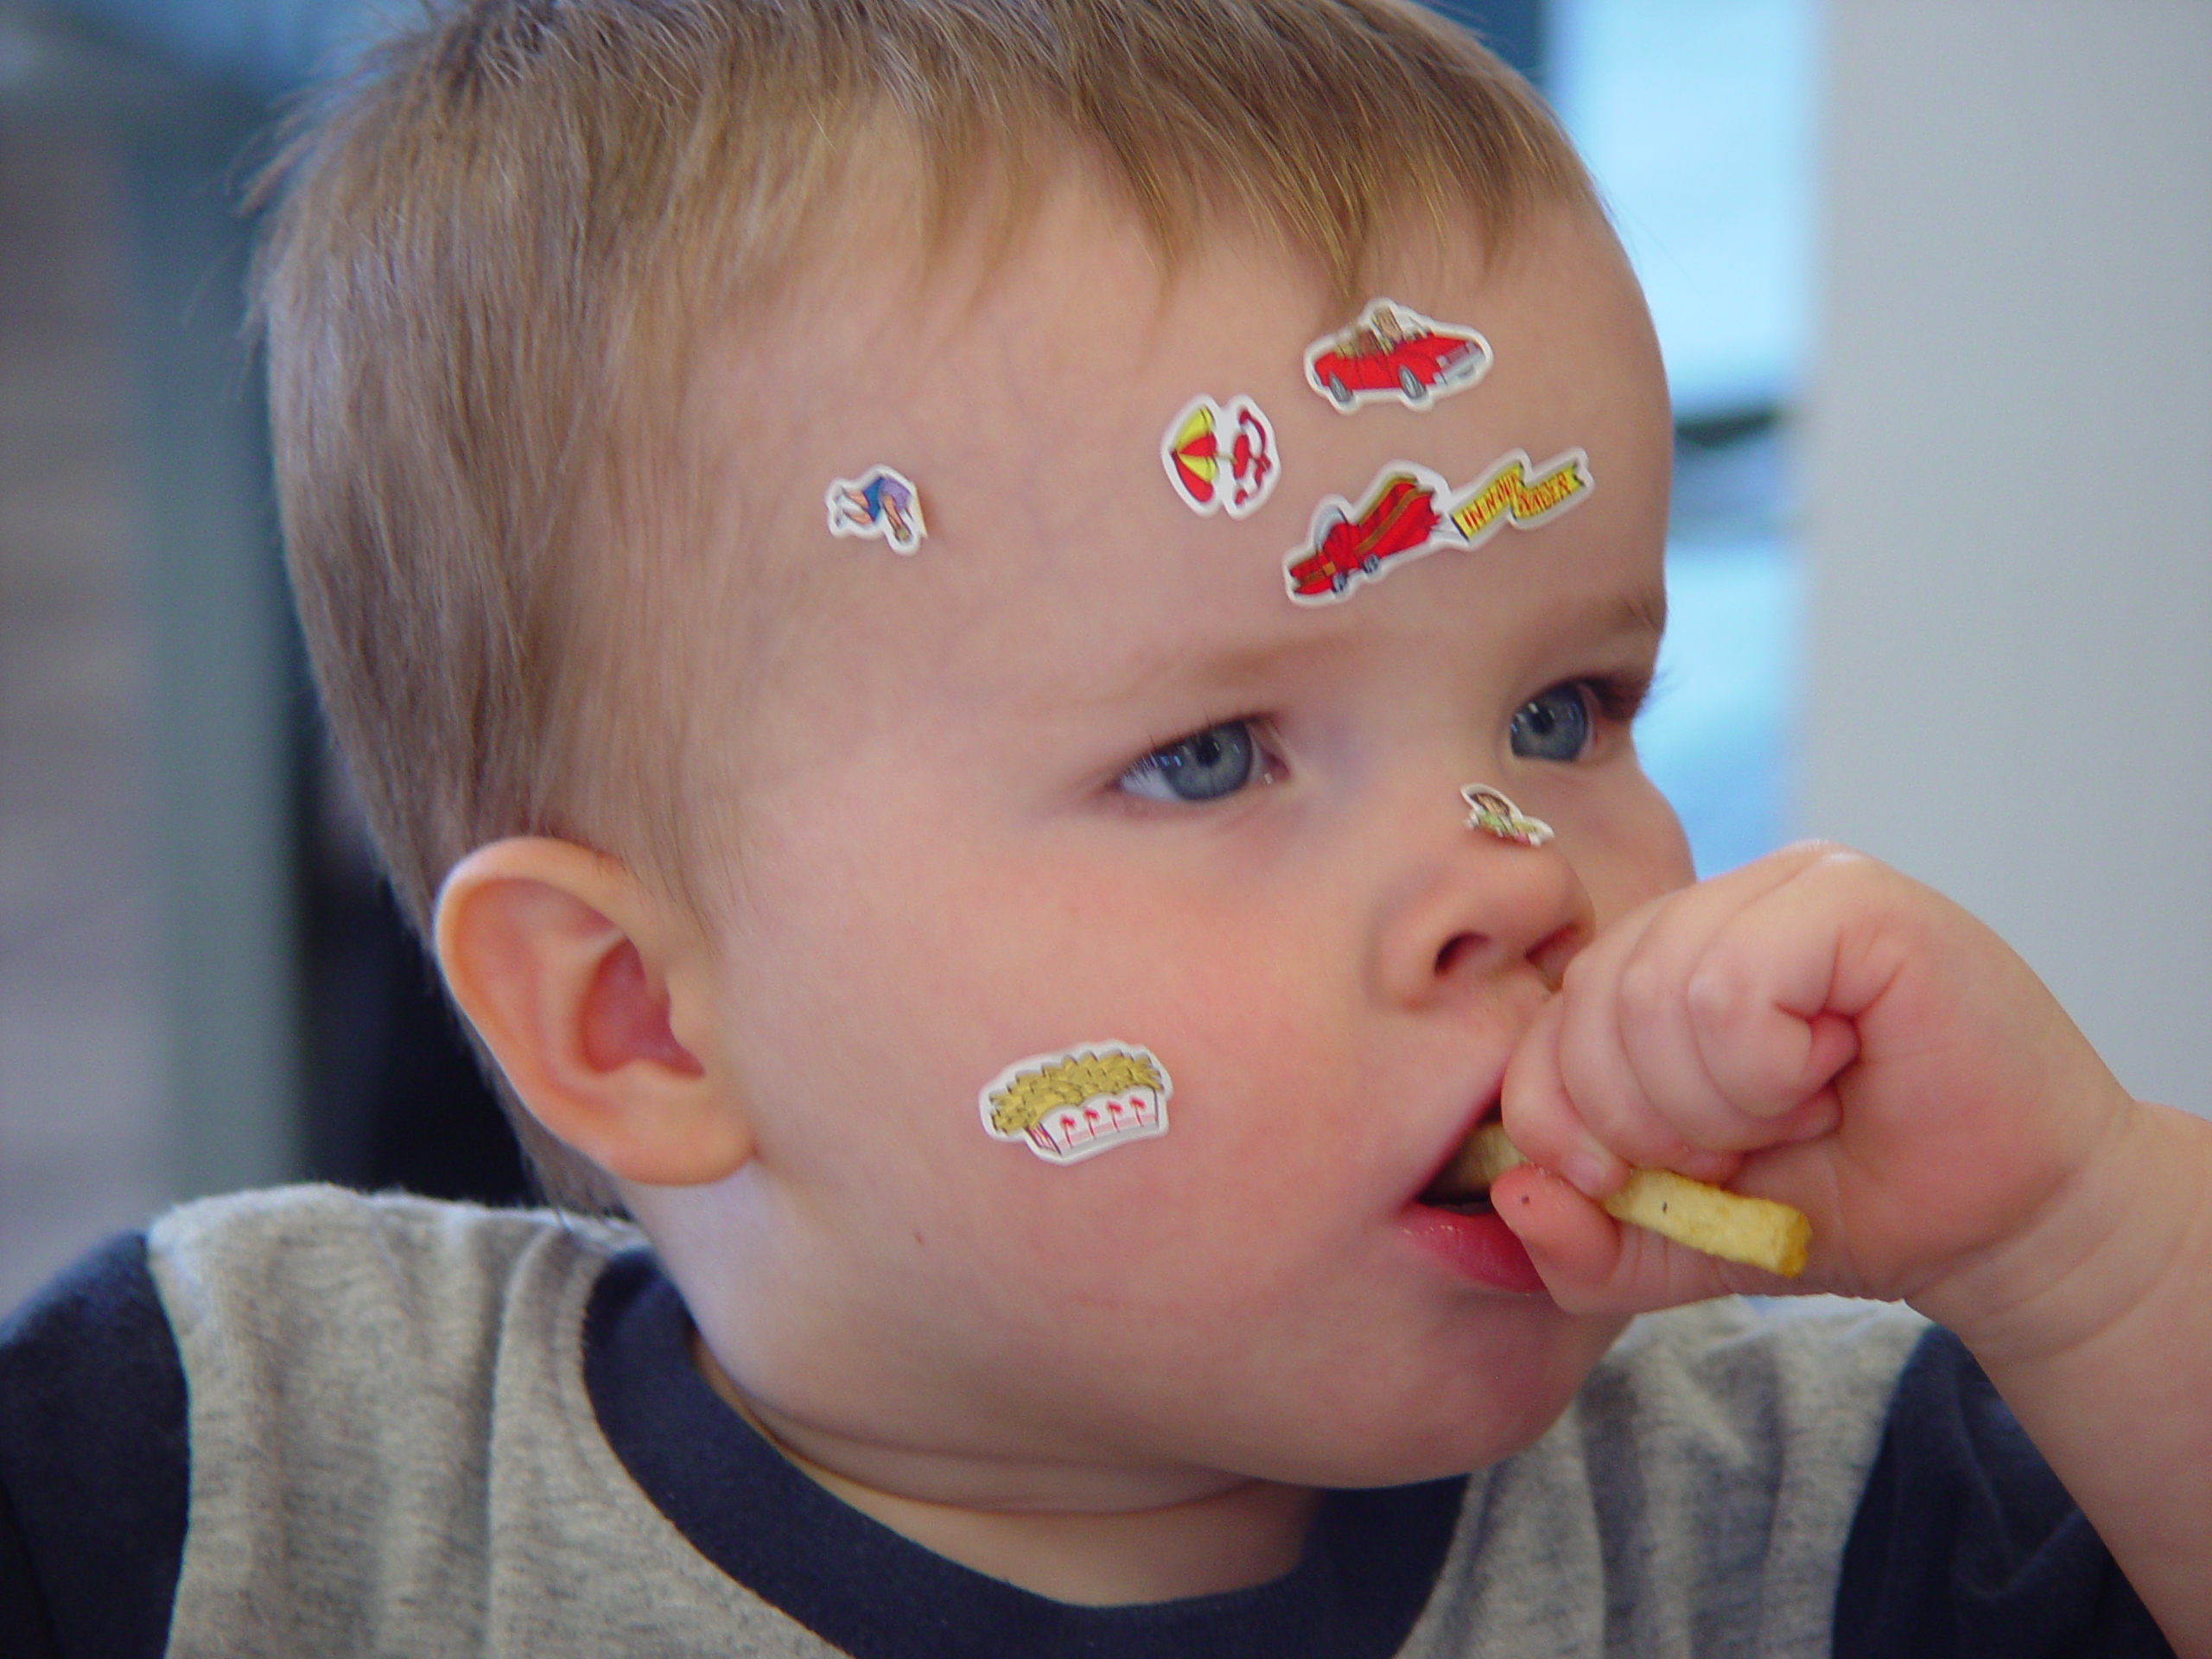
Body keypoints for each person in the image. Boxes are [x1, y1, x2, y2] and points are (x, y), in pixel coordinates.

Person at [2, 0, 2205, 1652]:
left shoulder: (1806, 1514)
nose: (1515, 872)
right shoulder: (245, 1475)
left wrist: (2078, 1243)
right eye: (1209, 756)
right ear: (639, 1021)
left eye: (1563, 707)